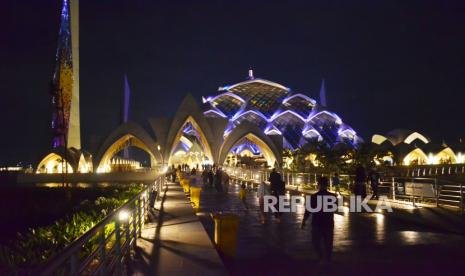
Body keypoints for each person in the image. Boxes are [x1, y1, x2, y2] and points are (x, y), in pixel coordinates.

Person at [302, 176, 337, 263]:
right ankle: (328, 259)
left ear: (319, 185)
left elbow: (308, 210)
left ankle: (321, 257)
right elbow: (335, 209)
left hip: (317, 223)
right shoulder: (332, 197)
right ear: (327, 185)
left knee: (316, 242)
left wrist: (304, 221)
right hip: (328, 223)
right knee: (328, 243)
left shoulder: (314, 197)